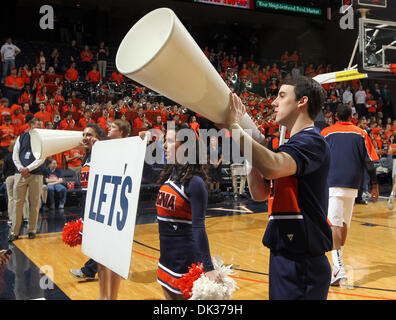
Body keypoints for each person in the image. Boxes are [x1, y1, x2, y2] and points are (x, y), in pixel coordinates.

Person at [220, 75, 333, 300]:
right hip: (285, 254)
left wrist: (233, 127)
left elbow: (272, 167)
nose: (273, 102)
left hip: (303, 261)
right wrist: (251, 153)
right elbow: (259, 194)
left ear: (302, 101)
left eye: (281, 96)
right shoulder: (291, 145)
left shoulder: (312, 141)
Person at [142, 122, 221, 300]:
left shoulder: (195, 183)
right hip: (166, 260)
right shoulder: (170, 174)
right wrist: (144, 144)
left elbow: (199, 227)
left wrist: (208, 267)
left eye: (169, 140)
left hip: (184, 261)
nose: (163, 145)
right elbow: (145, 171)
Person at [321, 104, 379, 286]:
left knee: (334, 224)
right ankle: (338, 263)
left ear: (335, 116)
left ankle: (338, 267)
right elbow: (369, 162)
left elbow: (319, 159)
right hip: (353, 184)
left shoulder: (326, 133)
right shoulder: (361, 133)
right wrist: (375, 185)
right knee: (343, 223)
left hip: (333, 182)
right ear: (351, 116)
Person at [96, 119, 130, 300]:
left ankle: (113, 297)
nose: (109, 129)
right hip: (103, 208)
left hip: (119, 209)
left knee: (115, 259)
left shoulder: (130, 149)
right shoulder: (104, 148)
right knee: (101, 259)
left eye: (113, 127)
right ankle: (103, 297)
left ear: (122, 132)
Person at [69, 123, 106, 281]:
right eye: (83, 135)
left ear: (98, 137)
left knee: (100, 241)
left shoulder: (103, 152)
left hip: (98, 203)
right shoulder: (89, 155)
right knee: (96, 241)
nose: (85, 138)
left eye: (89, 135)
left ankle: (89, 270)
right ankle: (93, 269)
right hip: (87, 201)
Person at [9, 117, 46, 241]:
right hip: (20, 174)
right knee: (17, 203)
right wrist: (20, 168)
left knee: (35, 204)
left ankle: (32, 230)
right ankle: (14, 232)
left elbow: (42, 158)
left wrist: (28, 169)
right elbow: (15, 154)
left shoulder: (44, 139)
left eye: (41, 125)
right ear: (30, 125)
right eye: (37, 124)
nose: (40, 126)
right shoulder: (21, 137)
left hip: (36, 174)